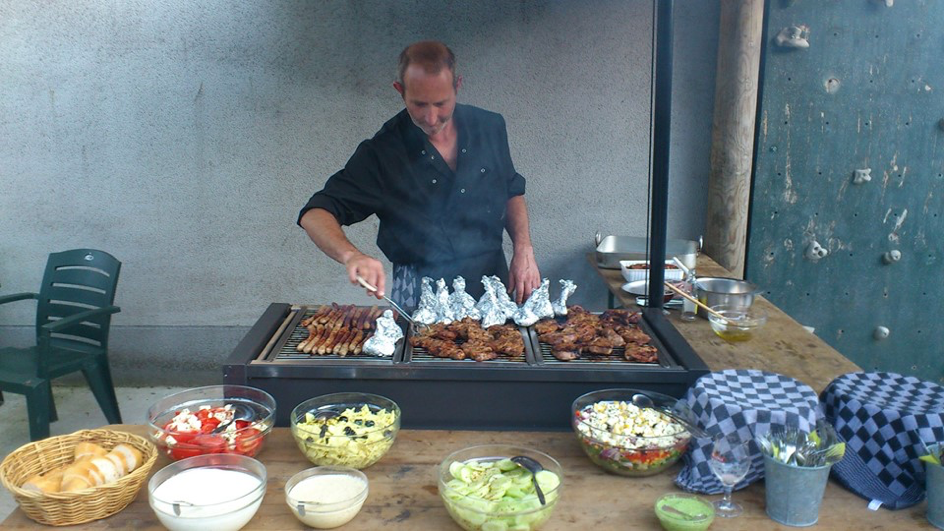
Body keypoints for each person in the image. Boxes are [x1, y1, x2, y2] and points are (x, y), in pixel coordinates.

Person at [298, 40, 541, 308]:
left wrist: (523, 249)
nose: (431, 117)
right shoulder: (382, 152)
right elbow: (315, 214)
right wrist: (351, 256)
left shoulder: (490, 126)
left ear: (457, 86)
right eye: (419, 104)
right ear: (400, 91)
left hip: (490, 279)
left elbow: (510, 190)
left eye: (441, 103)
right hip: (418, 290)